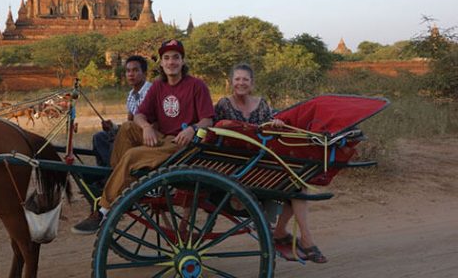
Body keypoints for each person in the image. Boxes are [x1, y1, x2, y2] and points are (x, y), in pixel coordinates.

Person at [72, 39, 215, 234]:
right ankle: (117, 183)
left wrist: (191, 129)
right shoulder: (158, 87)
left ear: (182, 61)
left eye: (175, 57)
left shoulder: (196, 85)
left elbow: (208, 120)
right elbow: (139, 114)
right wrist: (146, 126)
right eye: (166, 58)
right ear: (161, 63)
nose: (171, 62)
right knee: (128, 127)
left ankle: (103, 210)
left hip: (182, 145)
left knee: (132, 156)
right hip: (161, 137)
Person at [214, 63, 327, 264]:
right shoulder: (223, 104)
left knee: (298, 182)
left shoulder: (262, 104)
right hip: (235, 166)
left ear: (252, 83)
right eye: (237, 79)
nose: (241, 83)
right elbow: (215, 133)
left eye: (245, 80)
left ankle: (293, 234)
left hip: (262, 163)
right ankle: (293, 235)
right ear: (231, 82)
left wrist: (277, 124)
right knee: (295, 185)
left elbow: (271, 130)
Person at [92, 55, 152, 167]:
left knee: (113, 144)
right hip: (131, 132)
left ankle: (114, 170)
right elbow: (129, 122)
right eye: (128, 71)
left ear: (144, 73)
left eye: (135, 70)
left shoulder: (150, 92)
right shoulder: (131, 95)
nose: (130, 74)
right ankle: (104, 172)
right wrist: (113, 127)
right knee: (99, 137)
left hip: (146, 135)